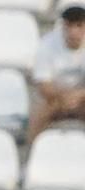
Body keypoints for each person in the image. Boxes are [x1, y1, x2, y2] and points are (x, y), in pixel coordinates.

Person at [28, 4, 85, 141]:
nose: (73, 32)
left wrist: (77, 96)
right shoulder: (47, 45)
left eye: (79, 26)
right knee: (40, 114)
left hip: (82, 98)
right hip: (54, 98)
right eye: (69, 26)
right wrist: (64, 97)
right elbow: (43, 85)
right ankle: (31, 150)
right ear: (63, 26)